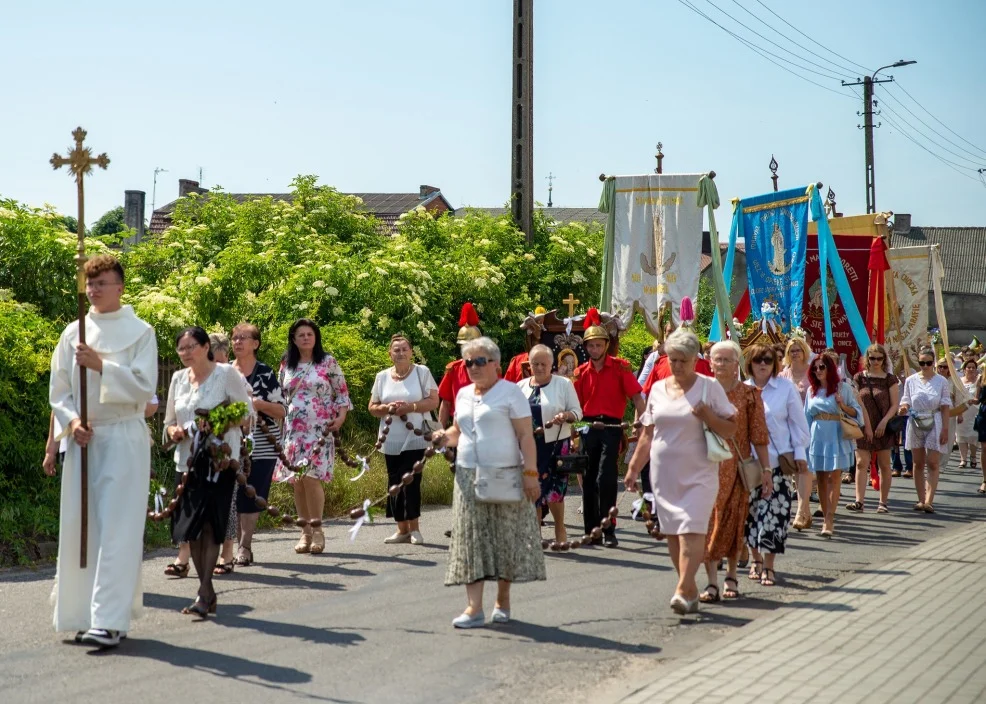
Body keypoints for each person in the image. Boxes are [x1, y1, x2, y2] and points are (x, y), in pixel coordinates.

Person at [48, 254, 158, 648]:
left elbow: (145, 387)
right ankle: (83, 615)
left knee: (117, 529)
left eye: (102, 283)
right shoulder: (72, 332)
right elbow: (59, 391)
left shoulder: (141, 332)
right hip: (84, 440)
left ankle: (110, 620)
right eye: (89, 283)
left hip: (124, 436)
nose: (93, 290)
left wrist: (101, 367)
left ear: (120, 287)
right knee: (82, 528)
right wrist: (72, 423)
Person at [433, 337, 545, 628]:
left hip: (505, 474)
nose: (473, 367)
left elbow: (525, 436)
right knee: (471, 540)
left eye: (480, 361)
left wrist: (530, 473)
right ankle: (473, 608)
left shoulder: (510, 393)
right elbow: (458, 431)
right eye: (469, 362)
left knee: (504, 539)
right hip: (468, 475)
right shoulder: (464, 394)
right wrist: (442, 437)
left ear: (495, 363)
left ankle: (503, 600)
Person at [625, 328, 737, 615]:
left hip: (700, 472)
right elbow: (648, 434)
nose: (676, 366)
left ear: (694, 359)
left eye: (682, 361)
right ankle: (688, 589)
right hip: (664, 474)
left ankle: (682, 588)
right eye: (672, 360)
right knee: (673, 533)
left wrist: (708, 416)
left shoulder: (709, 387)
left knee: (692, 528)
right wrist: (634, 467)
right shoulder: (658, 389)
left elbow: (731, 428)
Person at [165, 326, 253, 617]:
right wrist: (175, 430)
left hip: (219, 461)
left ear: (206, 347)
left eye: (191, 346)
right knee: (189, 528)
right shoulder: (178, 379)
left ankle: (204, 591)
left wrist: (216, 422)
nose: (186, 353)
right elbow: (167, 423)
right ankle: (208, 592)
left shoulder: (227, 374)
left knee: (209, 526)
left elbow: (245, 413)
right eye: (181, 348)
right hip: (186, 463)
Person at [273, 318, 351, 554]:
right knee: (297, 482)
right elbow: (279, 397)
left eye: (310, 334)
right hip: (293, 431)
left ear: (316, 337)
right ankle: (304, 532)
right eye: (301, 334)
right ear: (293, 339)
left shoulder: (327, 362)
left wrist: (341, 417)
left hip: (320, 430)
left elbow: (342, 393)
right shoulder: (286, 363)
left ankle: (318, 530)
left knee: (312, 478)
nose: (306, 338)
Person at [701, 341, 769, 602]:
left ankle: (730, 575)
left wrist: (766, 470)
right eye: (716, 359)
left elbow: (759, 436)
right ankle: (710, 582)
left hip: (737, 468)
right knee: (708, 523)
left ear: (736, 364)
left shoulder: (748, 395)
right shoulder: (701, 391)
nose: (720, 364)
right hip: (705, 467)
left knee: (732, 522)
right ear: (710, 362)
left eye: (726, 360)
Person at [573, 308, 645, 547]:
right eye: (590, 346)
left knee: (606, 477)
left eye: (598, 345)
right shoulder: (580, 373)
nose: (594, 350)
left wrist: (641, 422)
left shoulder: (620, 367)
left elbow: (637, 397)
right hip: (588, 427)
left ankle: (609, 530)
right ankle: (592, 531)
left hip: (612, 428)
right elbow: (574, 405)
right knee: (589, 478)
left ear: (606, 345)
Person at [745, 343, 809, 586]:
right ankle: (755, 560)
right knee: (750, 516)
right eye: (758, 360)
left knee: (775, 516)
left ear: (775, 364)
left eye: (768, 360)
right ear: (749, 363)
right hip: (749, 465)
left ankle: (769, 566)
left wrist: (800, 453)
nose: (762, 364)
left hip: (779, 462)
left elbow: (798, 423)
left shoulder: (785, 388)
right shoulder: (743, 389)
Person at [368, 334, 440, 545]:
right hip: (390, 439)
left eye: (404, 349)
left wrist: (411, 407)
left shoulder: (421, 372)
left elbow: (433, 401)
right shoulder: (382, 376)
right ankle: (401, 529)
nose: (400, 353)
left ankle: (415, 528)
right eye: (396, 350)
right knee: (394, 481)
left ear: (411, 352)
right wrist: (387, 408)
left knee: (411, 480)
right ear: (390, 354)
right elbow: (372, 407)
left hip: (416, 437)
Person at [230, 323, 286, 566]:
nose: (237, 342)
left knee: (252, 494)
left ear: (256, 344)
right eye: (234, 338)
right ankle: (228, 547)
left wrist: (257, 403)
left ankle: (245, 546)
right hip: (230, 442)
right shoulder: (223, 371)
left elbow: (282, 410)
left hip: (262, 444)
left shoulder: (265, 373)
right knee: (233, 494)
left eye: (243, 338)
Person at [516, 344, 583, 545]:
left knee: (555, 491)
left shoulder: (563, 384)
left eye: (543, 363)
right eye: (535, 363)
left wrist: (566, 415)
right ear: (529, 364)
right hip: (528, 447)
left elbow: (578, 412)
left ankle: (559, 528)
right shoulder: (520, 386)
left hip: (555, 445)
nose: (539, 367)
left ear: (552, 364)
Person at [805, 353, 864, 538]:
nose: (818, 371)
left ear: (830, 368)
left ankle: (830, 519)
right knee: (821, 478)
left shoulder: (843, 388)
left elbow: (857, 412)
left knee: (834, 478)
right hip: (817, 434)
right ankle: (824, 515)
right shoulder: (811, 390)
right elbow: (806, 416)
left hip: (836, 434)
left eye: (822, 367)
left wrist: (842, 405)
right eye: (815, 368)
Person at [898, 347, 951, 513]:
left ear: (933, 363)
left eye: (928, 363)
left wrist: (945, 429)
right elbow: (905, 400)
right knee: (918, 462)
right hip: (915, 421)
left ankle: (929, 500)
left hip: (934, 420)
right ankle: (921, 499)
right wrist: (903, 407)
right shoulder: (911, 380)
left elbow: (945, 405)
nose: (925, 366)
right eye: (922, 363)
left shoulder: (941, 381)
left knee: (933, 462)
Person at [847, 344, 900, 514]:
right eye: (872, 358)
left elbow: (894, 405)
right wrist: (867, 426)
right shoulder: (859, 378)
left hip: (883, 425)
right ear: (867, 359)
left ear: (884, 359)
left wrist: (884, 422)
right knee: (862, 463)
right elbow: (857, 402)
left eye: (879, 358)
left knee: (885, 464)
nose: (876, 361)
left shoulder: (889, 379)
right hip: (863, 424)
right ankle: (859, 501)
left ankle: (883, 502)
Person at [209, 332, 240, 575]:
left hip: (228, 447)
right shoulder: (193, 377)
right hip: (197, 449)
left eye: (219, 361)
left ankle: (227, 553)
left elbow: (246, 411)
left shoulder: (234, 377)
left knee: (227, 501)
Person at [438, 303, 483, 427]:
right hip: (459, 426)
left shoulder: (490, 369)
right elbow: (446, 403)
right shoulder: (453, 369)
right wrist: (440, 431)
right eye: (464, 345)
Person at [956, 359, 981, 468]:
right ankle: (963, 459)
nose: (971, 369)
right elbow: (957, 398)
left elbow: (977, 397)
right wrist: (959, 413)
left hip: (974, 411)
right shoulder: (959, 381)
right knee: (961, 437)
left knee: (973, 435)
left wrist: (972, 401)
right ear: (964, 369)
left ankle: (973, 457)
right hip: (962, 411)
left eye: (973, 367)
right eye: (968, 367)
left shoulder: (978, 381)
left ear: (976, 369)